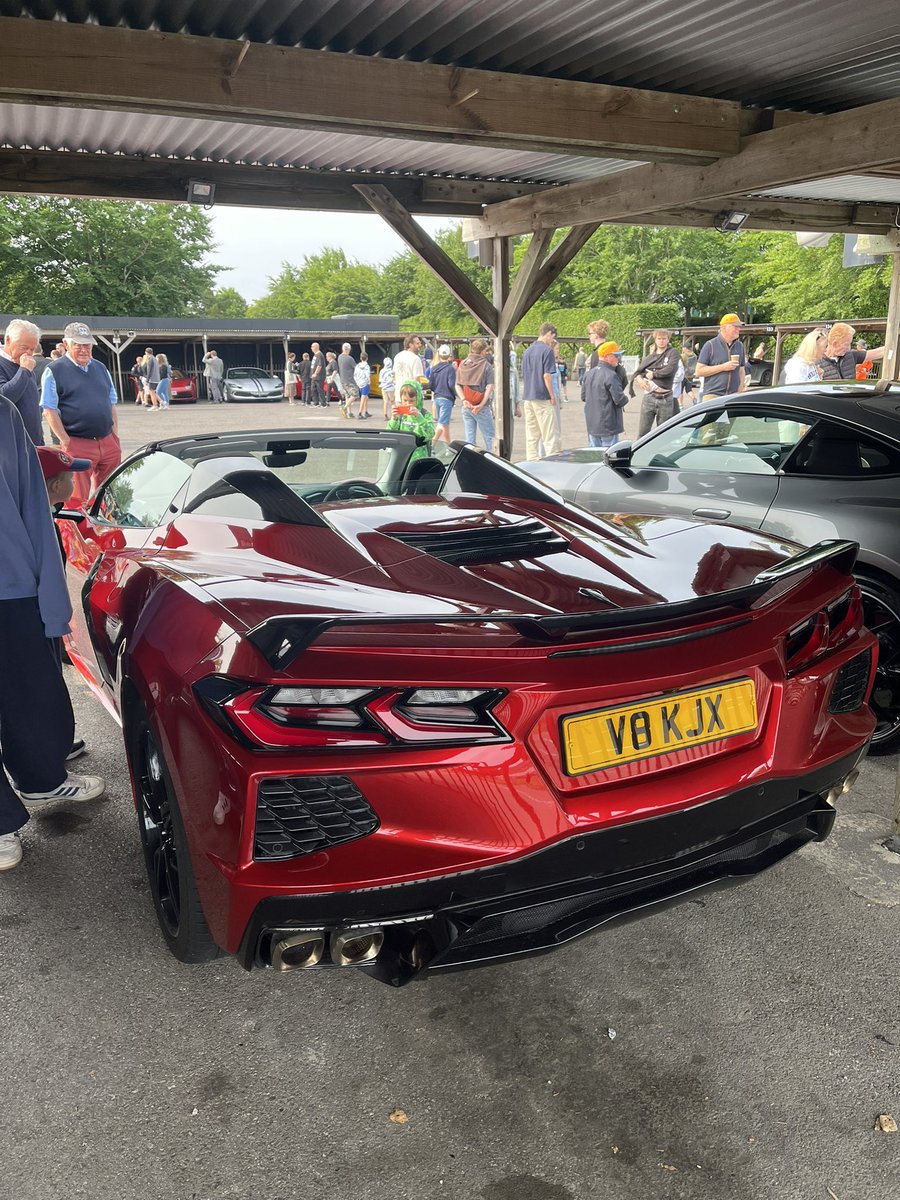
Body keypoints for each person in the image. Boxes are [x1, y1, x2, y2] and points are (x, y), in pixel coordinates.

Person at [0, 399, 105, 871]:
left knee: (33, 694)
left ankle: (40, 777)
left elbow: (32, 506)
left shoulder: (3, 414)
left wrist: (50, 601)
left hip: (10, 584)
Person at [40, 322, 121, 508]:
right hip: (77, 443)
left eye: (87, 345)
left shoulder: (101, 368)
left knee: (110, 492)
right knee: (76, 497)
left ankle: (103, 528)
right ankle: (78, 534)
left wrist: (114, 435)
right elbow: (49, 409)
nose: (84, 349)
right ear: (66, 345)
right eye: (78, 345)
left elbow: (111, 404)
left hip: (108, 441)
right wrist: (66, 441)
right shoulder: (54, 370)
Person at [0, 318, 43, 446]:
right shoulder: (22, 367)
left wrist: (40, 440)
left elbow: (32, 407)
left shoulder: (26, 366)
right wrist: (24, 371)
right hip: (9, 448)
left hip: (32, 445)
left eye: (32, 349)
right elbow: (4, 397)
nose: (29, 353)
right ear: (8, 340)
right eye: (24, 347)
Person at [521, 322, 560, 461]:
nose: (552, 340)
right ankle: (552, 461)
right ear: (549, 333)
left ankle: (531, 461)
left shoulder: (527, 351)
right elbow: (547, 375)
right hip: (542, 396)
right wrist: (552, 395)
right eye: (552, 337)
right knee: (549, 434)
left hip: (528, 397)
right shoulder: (547, 350)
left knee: (532, 434)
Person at [632, 329, 681, 437]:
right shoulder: (650, 357)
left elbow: (671, 369)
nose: (661, 341)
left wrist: (654, 374)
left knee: (663, 433)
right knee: (643, 432)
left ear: (668, 339)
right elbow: (638, 371)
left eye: (664, 338)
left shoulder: (673, 353)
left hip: (665, 397)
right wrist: (639, 379)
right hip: (649, 397)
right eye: (659, 339)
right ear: (655, 340)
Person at [582, 341, 628, 448]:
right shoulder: (611, 375)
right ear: (607, 357)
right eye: (616, 355)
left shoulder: (589, 374)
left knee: (594, 456)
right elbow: (619, 400)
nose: (618, 358)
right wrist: (627, 397)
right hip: (608, 424)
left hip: (592, 424)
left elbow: (583, 397)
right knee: (609, 456)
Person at [455, 338, 495, 449]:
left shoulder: (463, 363)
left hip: (466, 406)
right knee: (490, 437)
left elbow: (457, 385)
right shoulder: (486, 365)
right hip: (481, 406)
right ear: (483, 352)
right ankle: (493, 463)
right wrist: (481, 404)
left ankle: (470, 461)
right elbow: (490, 387)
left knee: (469, 439)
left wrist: (464, 400)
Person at [696, 314, 747, 398]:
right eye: (735, 326)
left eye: (739, 326)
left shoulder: (740, 346)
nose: (739, 329)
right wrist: (723, 367)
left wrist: (740, 389)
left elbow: (741, 370)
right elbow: (699, 371)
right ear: (724, 328)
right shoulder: (710, 345)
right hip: (712, 395)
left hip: (733, 396)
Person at [386, 380, 435, 461]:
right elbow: (389, 434)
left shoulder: (425, 414)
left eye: (412, 401)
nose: (408, 404)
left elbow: (430, 434)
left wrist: (419, 417)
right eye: (405, 400)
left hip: (419, 459)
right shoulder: (400, 415)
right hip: (401, 458)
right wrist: (394, 419)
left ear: (418, 399)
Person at [818, 322, 885, 380]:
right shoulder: (816, 361)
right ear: (835, 343)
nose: (849, 348)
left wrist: (893, 348)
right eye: (846, 344)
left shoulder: (851, 355)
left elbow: (878, 352)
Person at [429, 344, 457, 443]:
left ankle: (448, 446)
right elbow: (451, 384)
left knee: (445, 424)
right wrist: (456, 394)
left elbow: (430, 385)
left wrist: (436, 390)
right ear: (449, 354)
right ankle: (432, 444)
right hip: (447, 398)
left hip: (437, 397)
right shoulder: (450, 369)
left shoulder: (434, 368)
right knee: (441, 423)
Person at [337, 342, 359, 417]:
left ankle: (349, 413)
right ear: (349, 349)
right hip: (349, 380)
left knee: (347, 396)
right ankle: (344, 407)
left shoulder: (339, 357)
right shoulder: (350, 359)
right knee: (354, 394)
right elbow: (356, 367)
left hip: (342, 380)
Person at [354, 353, 372, 419]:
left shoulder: (357, 366)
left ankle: (366, 411)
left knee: (366, 397)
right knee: (363, 397)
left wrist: (357, 382)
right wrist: (369, 382)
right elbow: (367, 375)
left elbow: (355, 375)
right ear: (367, 358)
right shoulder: (367, 366)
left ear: (360, 358)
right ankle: (360, 413)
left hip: (359, 383)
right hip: (365, 383)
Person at [308, 342, 326, 407]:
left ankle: (323, 404)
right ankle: (316, 403)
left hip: (319, 376)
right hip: (313, 376)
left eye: (312, 346)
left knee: (320, 389)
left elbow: (319, 365)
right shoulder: (315, 355)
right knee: (313, 389)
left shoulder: (319, 355)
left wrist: (316, 373)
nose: (311, 348)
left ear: (316, 347)